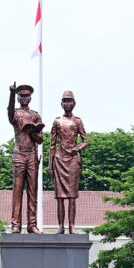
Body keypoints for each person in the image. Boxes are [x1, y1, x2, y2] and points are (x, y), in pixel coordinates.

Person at [49, 90, 88, 234]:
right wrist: (50, 164)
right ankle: (60, 226)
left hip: (73, 160)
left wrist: (76, 149)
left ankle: (72, 225)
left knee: (72, 196)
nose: (67, 103)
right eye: (64, 101)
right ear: (61, 103)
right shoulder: (57, 121)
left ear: (74, 103)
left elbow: (86, 141)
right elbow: (52, 145)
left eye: (69, 101)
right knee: (60, 196)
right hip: (59, 160)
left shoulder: (77, 121)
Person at [7, 82, 44, 234]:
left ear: (30, 98)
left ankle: (32, 224)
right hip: (19, 155)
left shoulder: (35, 115)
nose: (24, 98)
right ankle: (15, 224)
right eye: (21, 96)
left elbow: (41, 139)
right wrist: (10, 93)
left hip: (32, 155)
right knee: (17, 191)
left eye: (26, 96)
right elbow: (9, 113)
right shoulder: (15, 113)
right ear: (17, 98)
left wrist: (33, 133)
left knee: (32, 191)